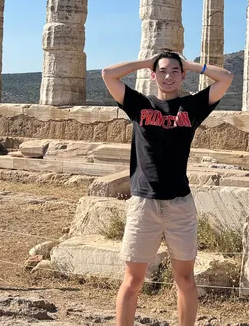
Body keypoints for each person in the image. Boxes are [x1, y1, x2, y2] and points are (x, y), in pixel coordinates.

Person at [101, 50, 233, 326]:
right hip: (144, 203)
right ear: (153, 75)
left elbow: (226, 78)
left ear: (182, 74)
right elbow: (108, 74)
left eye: (175, 71)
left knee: (185, 279)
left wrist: (191, 65)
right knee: (132, 280)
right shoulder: (139, 104)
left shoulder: (191, 107)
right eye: (162, 71)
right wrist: (145, 62)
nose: (168, 76)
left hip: (179, 204)